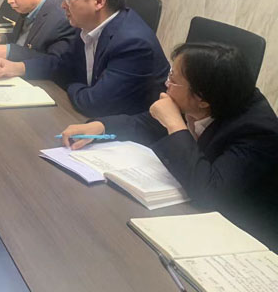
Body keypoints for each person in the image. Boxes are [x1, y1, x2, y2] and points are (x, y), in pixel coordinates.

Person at [60, 42, 278, 250]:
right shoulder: (206, 97)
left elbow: (210, 193)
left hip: (241, 236)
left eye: (173, 80)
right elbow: (146, 124)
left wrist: (175, 124)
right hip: (188, 210)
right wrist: (101, 126)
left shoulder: (258, 131)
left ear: (202, 99)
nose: (166, 84)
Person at [0, 0, 169, 116]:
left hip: (125, 132)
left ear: (98, 1)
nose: (62, 5)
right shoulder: (86, 25)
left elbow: (93, 103)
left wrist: (70, 84)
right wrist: (19, 68)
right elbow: (60, 63)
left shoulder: (133, 44)